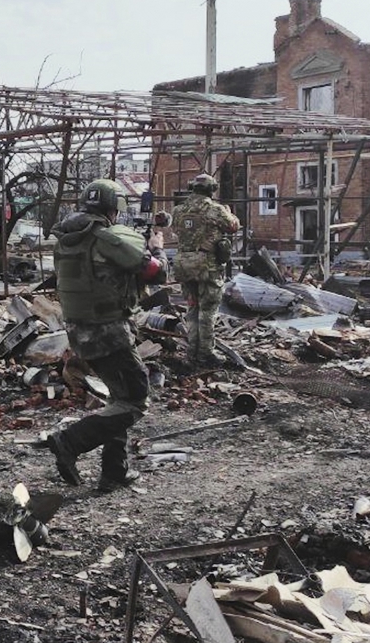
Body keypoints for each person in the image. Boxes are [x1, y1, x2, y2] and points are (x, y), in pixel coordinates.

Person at [43, 179, 168, 492]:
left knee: (118, 397)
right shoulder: (108, 239)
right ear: (113, 209)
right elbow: (157, 272)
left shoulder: (66, 239)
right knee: (136, 400)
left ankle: (114, 470)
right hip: (109, 332)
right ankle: (69, 441)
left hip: (79, 331)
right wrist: (157, 248)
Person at [170, 173, 240, 367]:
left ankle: (192, 351)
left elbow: (177, 230)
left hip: (184, 265)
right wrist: (229, 212)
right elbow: (233, 226)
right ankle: (205, 354)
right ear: (211, 190)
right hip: (207, 266)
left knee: (192, 307)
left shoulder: (178, 210)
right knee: (207, 310)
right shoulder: (214, 209)